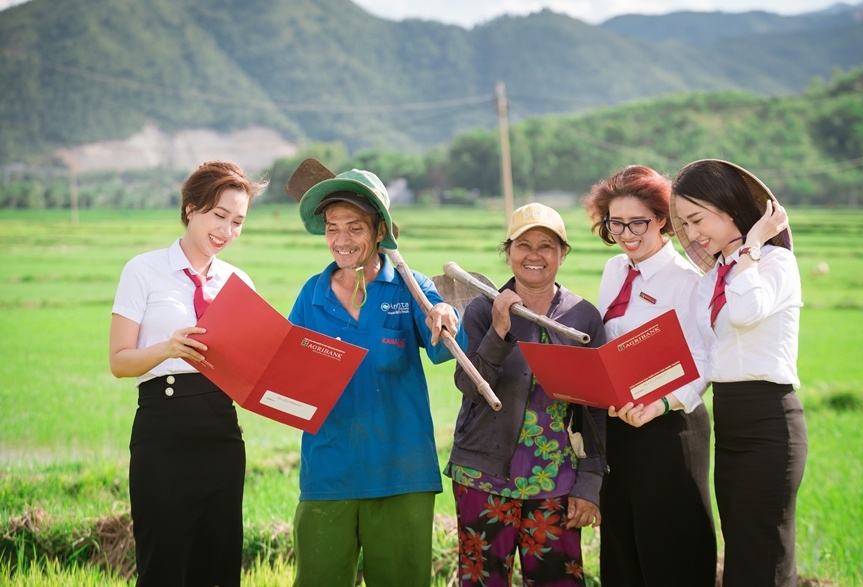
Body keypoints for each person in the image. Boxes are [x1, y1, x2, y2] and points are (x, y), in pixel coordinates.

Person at [288, 168, 466, 587]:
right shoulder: (312, 296)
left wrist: (445, 314)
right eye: (332, 228)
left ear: (380, 229)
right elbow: (288, 377)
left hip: (401, 474)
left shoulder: (410, 288)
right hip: (329, 472)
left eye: (354, 227)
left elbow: (446, 346)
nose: (341, 239)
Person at [109, 160, 267, 586]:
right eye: (219, 216)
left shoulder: (239, 282)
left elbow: (252, 366)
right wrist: (167, 348)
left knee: (218, 566)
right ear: (191, 209)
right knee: (163, 564)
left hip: (221, 433)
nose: (227, 231)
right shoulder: (143, 270)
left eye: (238, 221)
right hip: (162, 432)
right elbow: (119, 361)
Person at [445, 202, 608, 587]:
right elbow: (470, 386)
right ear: (509, 252)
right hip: (482, 476)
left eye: (547, 246)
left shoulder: (582, 318)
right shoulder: (483, 309)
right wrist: (499, 331)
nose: (534, 255)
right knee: (482, 580)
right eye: (523, 244)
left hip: (555, 480)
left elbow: (595, 408)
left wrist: (589, 481)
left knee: (558, 582)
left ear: (563, 254)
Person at [670, 159, 807, 587]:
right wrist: (660, 400)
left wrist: (752, 245)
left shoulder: (774, 263)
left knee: (764, 553)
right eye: (685, 224)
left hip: (770, 421)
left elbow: (748, 313)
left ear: (728, 207)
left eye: (697, 220)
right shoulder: (714, 279)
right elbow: (706, 358)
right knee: (741, 549)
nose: (692, 235)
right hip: (728, 422)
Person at [584, 165, 717, 586]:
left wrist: (660, 404)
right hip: (618, 428)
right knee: (623, 551)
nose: (626, 233)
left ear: (662, 219)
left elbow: (705, 359)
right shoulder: (613, 270)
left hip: (669, 429)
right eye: (615, 223)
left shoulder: (688, 281)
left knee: (671, 552)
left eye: (637, 222)